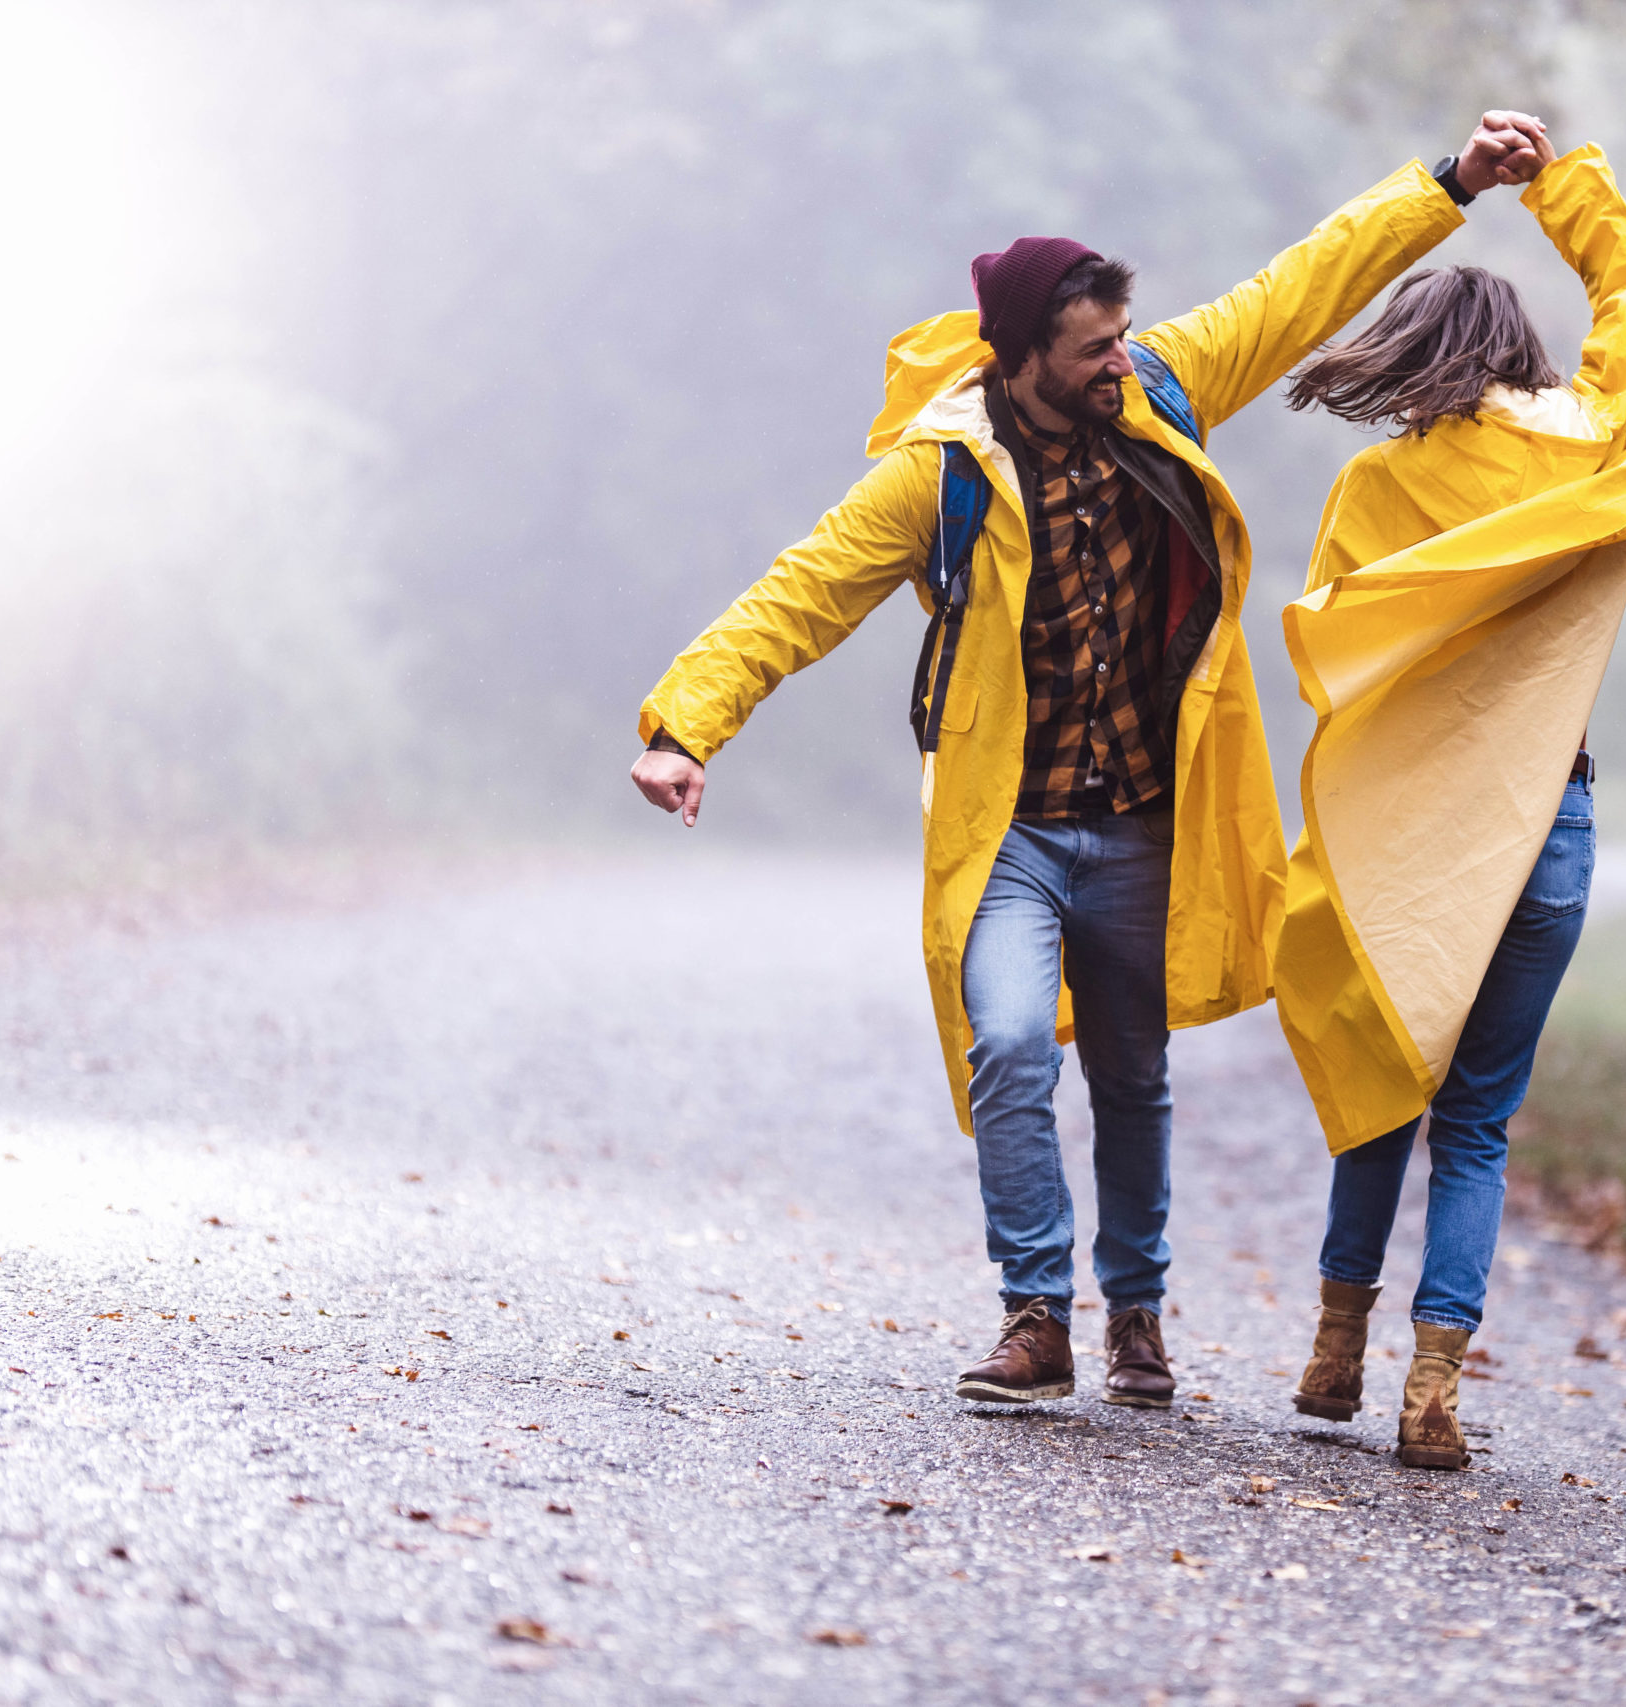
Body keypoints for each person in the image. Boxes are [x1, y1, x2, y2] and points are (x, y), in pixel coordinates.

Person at [629, 114, 1552, 1409]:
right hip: (1010, 826)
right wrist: (685, 724)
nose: (1120, 358)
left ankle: (1137, 1316)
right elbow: (806, 591)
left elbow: (1302, 285)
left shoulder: (1163, 388)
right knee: (1007, 1045)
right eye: (1092, 348)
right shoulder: (939, 472)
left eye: (1123, 334)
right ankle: (1035, 1310)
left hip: (1142, 823)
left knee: (1131, 1072)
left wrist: (1450, 182)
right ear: (1020, 363)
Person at [1271, 131, 1626, 1468]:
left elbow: (1345, 679)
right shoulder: (1583, 452)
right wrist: (1557, 181)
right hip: (1545, 833)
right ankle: (1430, 1393)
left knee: (1386, 1083)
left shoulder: (1370, 488)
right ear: (1518, 357)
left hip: (1415, 847)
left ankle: (1334, 1349)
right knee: (1480, 1125)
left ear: (1409, 352)